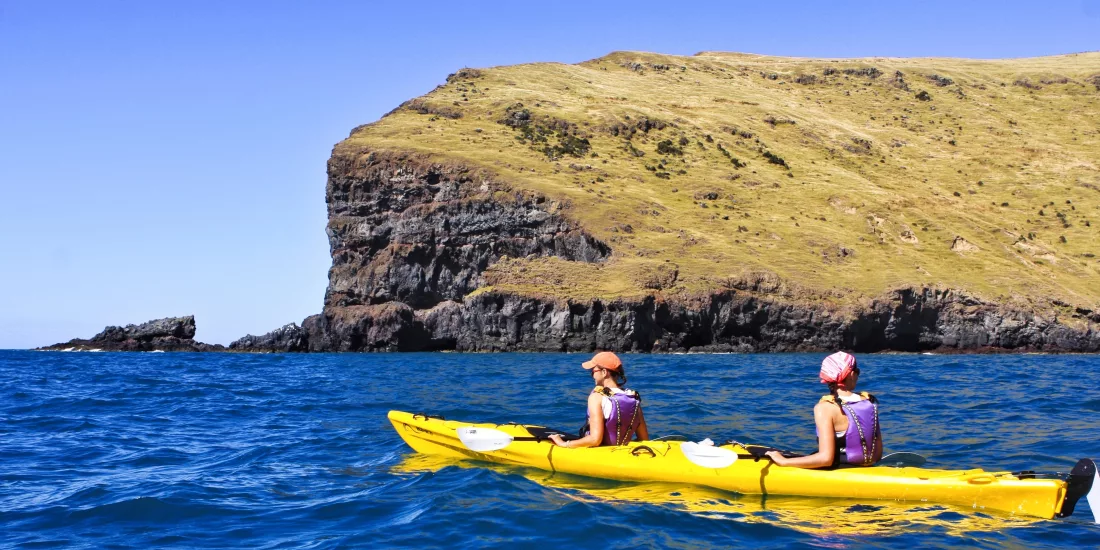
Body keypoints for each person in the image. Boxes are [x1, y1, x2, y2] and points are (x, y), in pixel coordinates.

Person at [766, 351, 882, 468]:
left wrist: (782, 461)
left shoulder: (825, 408)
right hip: (869, 467)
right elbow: (878, 454)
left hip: (840, 471)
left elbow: (825, 459)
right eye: (858, 372)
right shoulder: (870, 402)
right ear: (851, 375)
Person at [548, 351, 649, 448]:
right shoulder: (632, 398)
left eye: (593, 371)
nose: (592, 375)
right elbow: (644, 439)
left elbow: (595, 440)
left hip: (600, 454)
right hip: (622, 452)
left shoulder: (597, 397)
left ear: (604, 372)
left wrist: (564, 444)